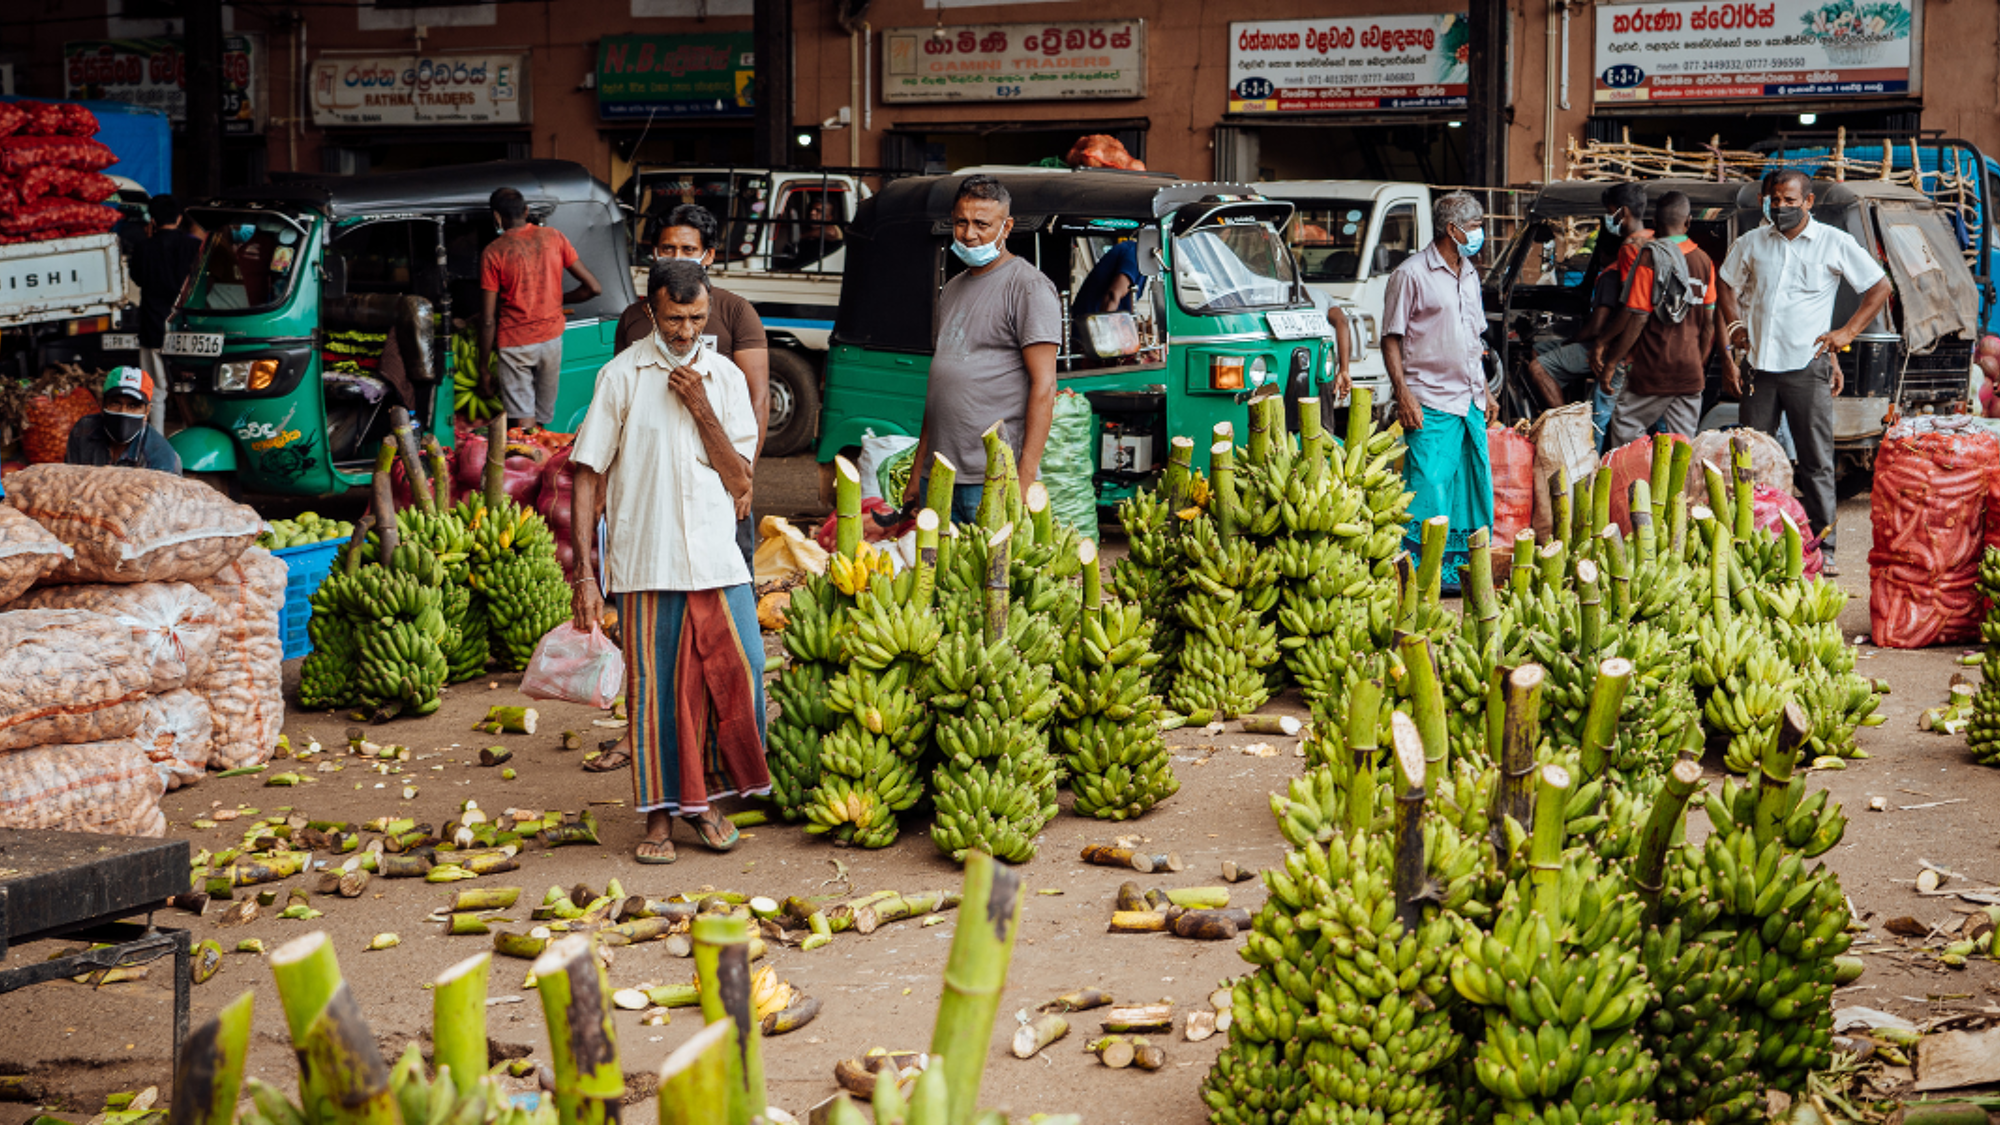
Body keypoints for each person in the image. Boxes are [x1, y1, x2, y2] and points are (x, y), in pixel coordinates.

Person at [567, 259, 764, 864]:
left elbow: (741, 482)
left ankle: (703, 803)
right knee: (656, 695)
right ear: (652, 311)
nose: (686, 331)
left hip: (716, 562)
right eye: (675, 319)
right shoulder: (621, 377)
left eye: (697, 318)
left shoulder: (725, 378)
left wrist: (701, 407)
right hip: (646, 563)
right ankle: (658, 819)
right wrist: (585, 573)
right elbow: (586, 476)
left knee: (739, 677)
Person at [1717, 168, 1892, 576]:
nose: (1780, 208)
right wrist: (1735, 325)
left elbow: (1879, 287)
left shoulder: (1834, 243)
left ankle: (1823, 547)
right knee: (1751, 460)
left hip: (1806, 367)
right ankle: (1754, 539)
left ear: (1808, 202)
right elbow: (1725, 284)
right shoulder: (1753, 243)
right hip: (1759, 367)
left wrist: (1846, 333)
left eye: (1790, 201)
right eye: (1775, 201)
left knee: (1815, 462)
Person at [614, 204, 771, 571]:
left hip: (719, 475)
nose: (677, 258)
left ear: (709, 256)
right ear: (653, 253)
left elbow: (758, 399)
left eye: (688, 250)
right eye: (667, 249)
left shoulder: (736, 312)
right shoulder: (635, 319)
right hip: (654, 480)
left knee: (729, 575)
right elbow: (621, 402)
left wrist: (744, 479)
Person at [899, 175, 1062, 524]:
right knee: (939, 575)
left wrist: (1025, 476)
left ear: (1007, 227)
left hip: (992, 479)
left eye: (982, 224)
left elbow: (1045, 388)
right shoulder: (953, 288)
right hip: (939, 475)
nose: (969, 234)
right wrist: (918, 469)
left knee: (992, 577)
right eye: (961, 222)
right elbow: (940, 387)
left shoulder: (1028, 287)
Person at [1382, 191, 1492, 590]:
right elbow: (1390, 339)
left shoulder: (1470, 273)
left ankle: (1459, 574)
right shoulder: (1410, 274)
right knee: (1428, 485)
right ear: (1452, 229)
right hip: (1429, 399)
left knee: (1470, 488)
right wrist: (1403, 394)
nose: (1481, 233)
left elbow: (1474, 337)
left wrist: (1486, 390)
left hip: (1469, 401)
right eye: (1476, 225)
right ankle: (1419, 574)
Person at [1595, 190, 1717, 445]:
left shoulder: (1651, 257)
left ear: (1656, 223)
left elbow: (1637, 316)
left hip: (1653, 369)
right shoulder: (1704, 261)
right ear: (1688, 221)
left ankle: (1638, 483)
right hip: (1690, 373)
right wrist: (1698, 362)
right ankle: (1676, 486)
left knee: (1626, 426)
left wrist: (1612, 361)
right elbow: (1708, 325)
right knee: (1682, 444)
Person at [479, 186, 602, 432]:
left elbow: (488, 319)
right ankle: (542, 461)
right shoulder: (554, 237)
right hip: (552, 340)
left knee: (524, 423)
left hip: (516, 343)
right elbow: (594, 288)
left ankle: (527, 464)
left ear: (496, 216)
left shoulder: (494, 252)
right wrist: (556, 299)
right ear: (526, 211)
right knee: (543, 419)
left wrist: (483, 368)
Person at [126, 194, 201, 434]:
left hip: (152, 325)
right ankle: (190, 438)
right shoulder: (193, 247)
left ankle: (155, 439)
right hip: (186, 327)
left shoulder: (142, 248)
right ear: (179, 218)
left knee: (154, 390)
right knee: (190, 388)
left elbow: (137, 278)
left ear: (153, 220)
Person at [67, 367, 181, 473]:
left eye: (133, 406)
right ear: (101, 405)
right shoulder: (84, 431)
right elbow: (70, 481)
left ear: (147, 411)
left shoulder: (160, 456)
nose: (123, 411)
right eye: (115, 403)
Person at [1070, 239, 1144, 354]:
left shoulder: (1138, 258)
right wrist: (1105, 342)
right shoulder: (1134, 253)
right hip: (1091, 334)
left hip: (1092, 332)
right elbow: (1113, 295)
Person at [773, 198, 845, 272]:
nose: (812, 212)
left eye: (818, 211)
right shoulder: (810, 229)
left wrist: (801, 236)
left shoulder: (834, 229)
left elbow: (830, 232)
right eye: (812, 209)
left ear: (829, 217)